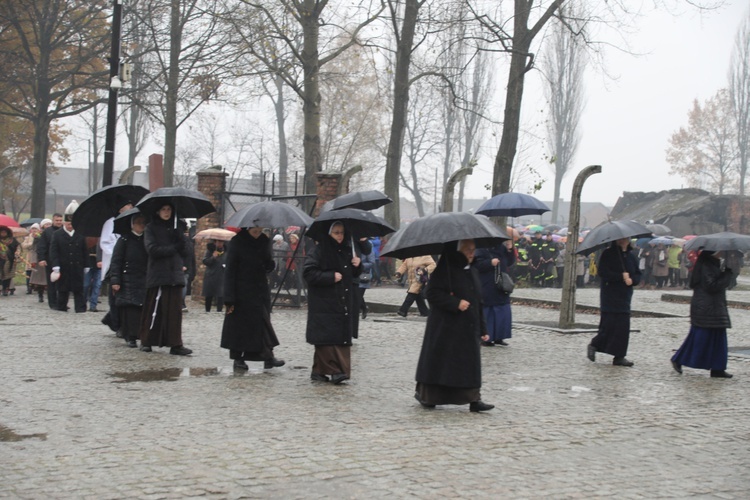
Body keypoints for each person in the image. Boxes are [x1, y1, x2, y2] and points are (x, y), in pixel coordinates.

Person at [414, 240, 494, 412]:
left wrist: (483, 328)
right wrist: (455, 302)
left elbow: (478, 302)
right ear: (458, 251)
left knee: (469, 366)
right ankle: (429, 396)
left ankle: (474, 398)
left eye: (473, 250)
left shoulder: (472, 270)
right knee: (441, 365)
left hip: (468, 328)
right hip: (445, 328)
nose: (471, 254)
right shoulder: (446, 269)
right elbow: (432, 293)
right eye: (467, 250)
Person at [303, 221, 362, 384]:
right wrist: (330, 277)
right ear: (329, 234)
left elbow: (351, 274)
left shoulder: (346, 250)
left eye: (342, 232)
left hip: (341, 300)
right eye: (336, 232)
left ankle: (320, 371)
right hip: (324, 301)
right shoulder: (319, 250)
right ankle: (335, 371)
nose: (340, 236)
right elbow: (308, 273)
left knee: (337, 337)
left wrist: (358, 265)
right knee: (327, 339)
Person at [220, 227, 284, 370]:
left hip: (260, 290)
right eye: (254, 227)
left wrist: (269, 265)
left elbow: (267, 263)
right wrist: (229, 296)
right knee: (239, 326)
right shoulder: (237, 242)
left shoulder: (264, 241)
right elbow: (230, 271)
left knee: (263, 323)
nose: (257, 230)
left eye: (259, 227)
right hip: (241, 291)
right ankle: (238, 358)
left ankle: (268, 356)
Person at [138, 203, 193, 355]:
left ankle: (175, 343)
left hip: (175, 274)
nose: (166, 212)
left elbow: (187, 251)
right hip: (158, 274)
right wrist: (173, 247)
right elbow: (152, 249)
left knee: (174, 311)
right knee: (154, 308)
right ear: (158, 211)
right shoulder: (151, 228)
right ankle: (147, 340)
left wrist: (181, 239)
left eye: (169, 209)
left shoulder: (178, 228)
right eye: (163, 209)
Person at [671, 250, 735, 378]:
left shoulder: (713, 264)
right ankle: (679, 359)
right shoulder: (706, 265)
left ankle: (718, 368)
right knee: (699, 338)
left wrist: (726, 272)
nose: (722, 253)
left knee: (718, 339)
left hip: (714, 307)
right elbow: (711, 285)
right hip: (705, 308)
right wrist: (726, 275)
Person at [587, 238, 642, 367]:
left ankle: (619, 356)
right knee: (609, 325)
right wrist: (619, 277)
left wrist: (633, 280)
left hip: (625, 296)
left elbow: (638, 274)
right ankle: (594, 345)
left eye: (627, 239)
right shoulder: (608, 254)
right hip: (610, 295)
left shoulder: (631, 256)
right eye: (622, 239)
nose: (625, 241)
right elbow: (603, 272)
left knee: (623, 327)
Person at [110, 213, 148, 348]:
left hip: (144, 277)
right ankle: (130, 336)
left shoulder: (147, 239)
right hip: (128, 278)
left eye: (143, 223)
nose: (141, 226)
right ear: (133, 224)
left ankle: (143, 336)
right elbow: (116, 261)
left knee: (143, 309)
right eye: (138, 223)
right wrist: (115, 280)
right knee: (130, 310)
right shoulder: (124, 240)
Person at [100, 199, 134, 333]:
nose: (130, 207)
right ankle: (115, 322)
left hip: (128, 263)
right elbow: (105, 243)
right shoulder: (110, 223)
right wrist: (117, 252)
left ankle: (114, 319)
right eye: (127, 205)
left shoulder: (132, 223)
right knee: (114, 295)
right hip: (114, 265)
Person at [474, 239, 516, 346]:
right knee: (488, 311)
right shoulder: (481, 249)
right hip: (487, 284)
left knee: (502, 310)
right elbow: (476, 265)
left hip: (501, 284)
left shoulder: (502, 248)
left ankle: (499, 336)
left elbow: (510, 262)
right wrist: (490, 263)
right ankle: (486, 337)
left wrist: (510, 251)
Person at [49, 201, 88, 312]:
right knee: (63, 289)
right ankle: (61, 307)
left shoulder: (80, 234)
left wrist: (86, 265)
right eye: (68, 223)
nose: (70, 226)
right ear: (64, 223)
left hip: (77, 266)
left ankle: (80, 308)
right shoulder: (57, 235)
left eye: (72, 224)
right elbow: (54, 251)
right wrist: (55, 265)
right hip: (63, 266)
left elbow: (84, 250)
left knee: (78, 289)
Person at [36, 213, 63, 309]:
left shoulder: (64, 231)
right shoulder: (47, 232)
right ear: (53, 220)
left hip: (63, 261)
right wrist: (41, 258)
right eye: (57, 220)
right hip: (50, 260)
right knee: (52, 283)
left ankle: (62, 302)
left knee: (63, 283)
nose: (59, 222)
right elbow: (41, 246)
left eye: (60, 220)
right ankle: (53, 303)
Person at [22, 223, 46, 302]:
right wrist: (34, 260)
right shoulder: (34, 237)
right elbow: (31, 248)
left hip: (48, 258)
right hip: (37, 258)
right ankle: (35, 291)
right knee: (37, 277)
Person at [202, 239, 227, 313]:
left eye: (221, 242)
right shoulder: (209, 251)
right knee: (209, 293)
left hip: (221, 274)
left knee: (220, 293)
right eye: (218, 242)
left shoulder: (225, 252)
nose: (220, 244)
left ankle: (219, 309)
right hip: (211, 275)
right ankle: (207, 309)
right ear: (215, 243)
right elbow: (205, 261)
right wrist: (213, 257)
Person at [357, 237, 376, 320]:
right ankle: (363, 307)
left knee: (358, 294)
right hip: (353, 274)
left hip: (364, 274)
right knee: (355, 294)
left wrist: (360, 265)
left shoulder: (369, 245)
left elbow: (372, 262)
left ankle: (363, 308)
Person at [82, 238, 102, 312]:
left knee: (97, 285)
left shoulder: (101, 237)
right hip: (88, 263)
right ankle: (83, 303)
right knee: (85, 285)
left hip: (99, 265)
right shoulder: (86, 238)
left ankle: (93, 305)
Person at [0, 225, 19, 296]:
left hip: (9, 260)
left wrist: (17, 253)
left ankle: (5, 289)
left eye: (5, 232)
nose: (3, 233)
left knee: (7, 276)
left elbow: (18, 247)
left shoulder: (12, 240)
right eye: (2, 232)